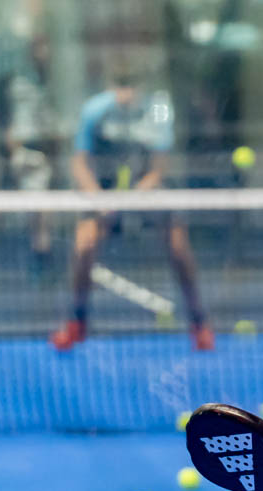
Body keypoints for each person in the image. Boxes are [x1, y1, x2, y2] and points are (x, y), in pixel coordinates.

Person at [50, 64, 213, 351]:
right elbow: (79, 162)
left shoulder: (158, 110)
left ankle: (199, 323)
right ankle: (76, 321)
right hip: (104, 190)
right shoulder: (94, 110)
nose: (125, 92)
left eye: (131, 85)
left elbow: (159, 168)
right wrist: (98, 197)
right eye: (120, 85)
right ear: (111, 87)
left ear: (142, 87)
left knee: (179, 247)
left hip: (147, 189)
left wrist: (134, 197)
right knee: (84, 245)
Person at [4, 33, 61, 275]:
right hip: (27, 153)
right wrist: (16, 149)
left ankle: (41, 256)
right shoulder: (21, 84)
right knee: (37, 210)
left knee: (41, 210)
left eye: (46, 48)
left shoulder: (49, 82)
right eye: (40, 48)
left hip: (44, 154)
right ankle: (40, 258)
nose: (44, 53)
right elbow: (16, 123)